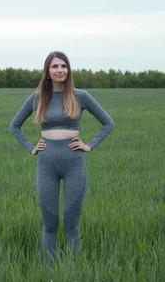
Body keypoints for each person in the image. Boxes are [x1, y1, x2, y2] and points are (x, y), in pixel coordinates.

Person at [9, 51, 115, 264]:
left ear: (69, 70)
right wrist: (31, 147)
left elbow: (108, 123)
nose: (60, 70)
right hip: (46, 164)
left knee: (71, 223)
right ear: (47, 71)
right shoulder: (38, 97)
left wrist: (89, 146)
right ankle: (49, 272)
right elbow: (14, 126)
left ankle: (72, 273)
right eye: (55, 66)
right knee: (50, 223)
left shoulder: (80, 96)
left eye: (63, 66)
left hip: (74, 164)